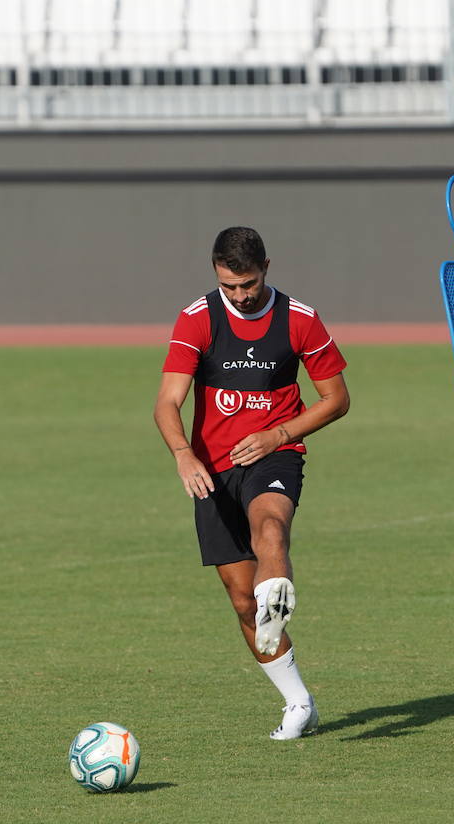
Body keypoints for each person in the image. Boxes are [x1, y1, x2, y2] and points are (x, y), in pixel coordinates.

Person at [153, 227, 350, 740]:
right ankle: (298, 702)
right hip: (211, 472)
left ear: (267, 267)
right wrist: (183, 455)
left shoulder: (299, 319)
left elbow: (336, 399)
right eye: (229, 286)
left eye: (249, 283)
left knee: (270, 525)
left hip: (275, 456)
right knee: (243, 600)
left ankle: (278, 591)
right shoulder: (198, 318)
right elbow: (167, 402)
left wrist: (278, 434)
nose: (240, 296)